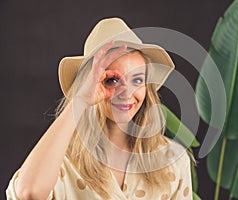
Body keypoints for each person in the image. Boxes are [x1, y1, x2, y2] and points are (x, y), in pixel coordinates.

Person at [6, 17, 193, 200]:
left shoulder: (172, 159)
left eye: (137, 80)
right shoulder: (61, 159)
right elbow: (27, 193)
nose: (126, 93)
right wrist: (80, 100)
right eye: (111, 80)